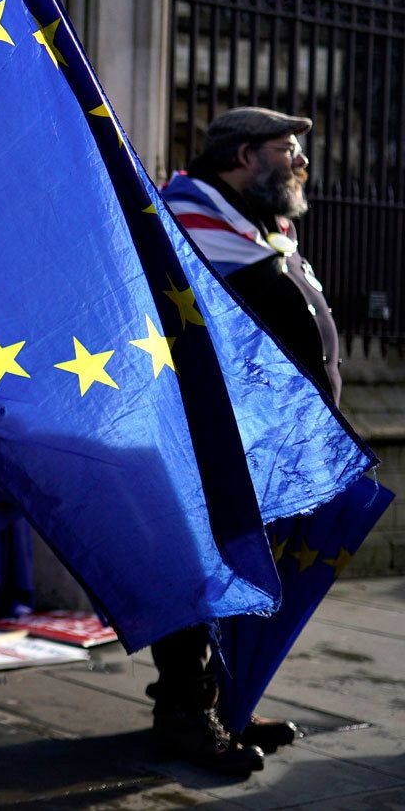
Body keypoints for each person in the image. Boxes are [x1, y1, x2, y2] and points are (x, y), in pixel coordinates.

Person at [150, 107, 335, 776]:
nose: (301, 162)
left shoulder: (260, 229)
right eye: (287, 149)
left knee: (246, 570)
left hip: (263, 438)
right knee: (200, 572)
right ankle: (185, 713)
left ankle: (229, 701)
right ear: (244, 155)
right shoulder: (185, 221)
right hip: (206, 435)